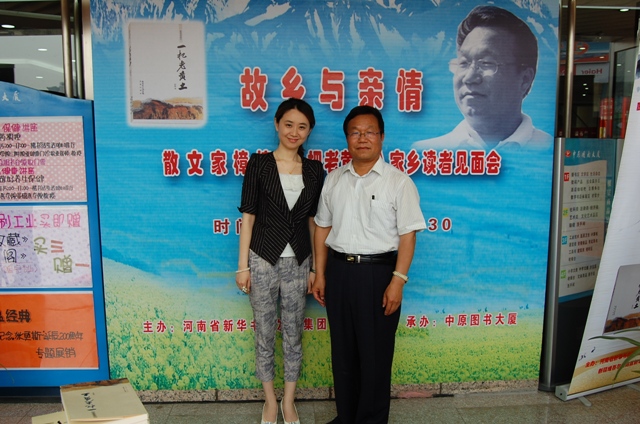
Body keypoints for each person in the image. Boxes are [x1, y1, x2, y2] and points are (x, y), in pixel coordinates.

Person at [312, 105, 426, 424]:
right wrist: (320, 273)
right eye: (355, 132)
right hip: (339, 273)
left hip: (379, 275)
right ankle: (346, 417)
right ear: (347, 138)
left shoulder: (398, 182)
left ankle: (371, 420)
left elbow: (408, 235)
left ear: (381, 137)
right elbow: (322, 228)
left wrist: (398, 280)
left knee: (375, 355)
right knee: (344, 352)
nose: (362, 138)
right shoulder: (334, 179)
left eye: (369, 132)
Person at [236, 98, 325, 424]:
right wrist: (243, 266)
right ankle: (270, 401)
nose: (294, 132)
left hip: (299, 262)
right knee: (264, 333)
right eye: (288, 124)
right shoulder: (259, 164)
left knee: (293, 333)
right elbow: (248, 217)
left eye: (302, 127)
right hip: (262, 259)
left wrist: (314, 268)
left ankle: (289, 401)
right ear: (277, 124)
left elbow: (314, 223)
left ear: (309, 131)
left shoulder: (315, 170)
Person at [411, 5, 552, 151]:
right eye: (463, 63)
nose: (469, 78)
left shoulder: (549, 149)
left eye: (486, 63)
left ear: (525, 79)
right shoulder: (425, 153)